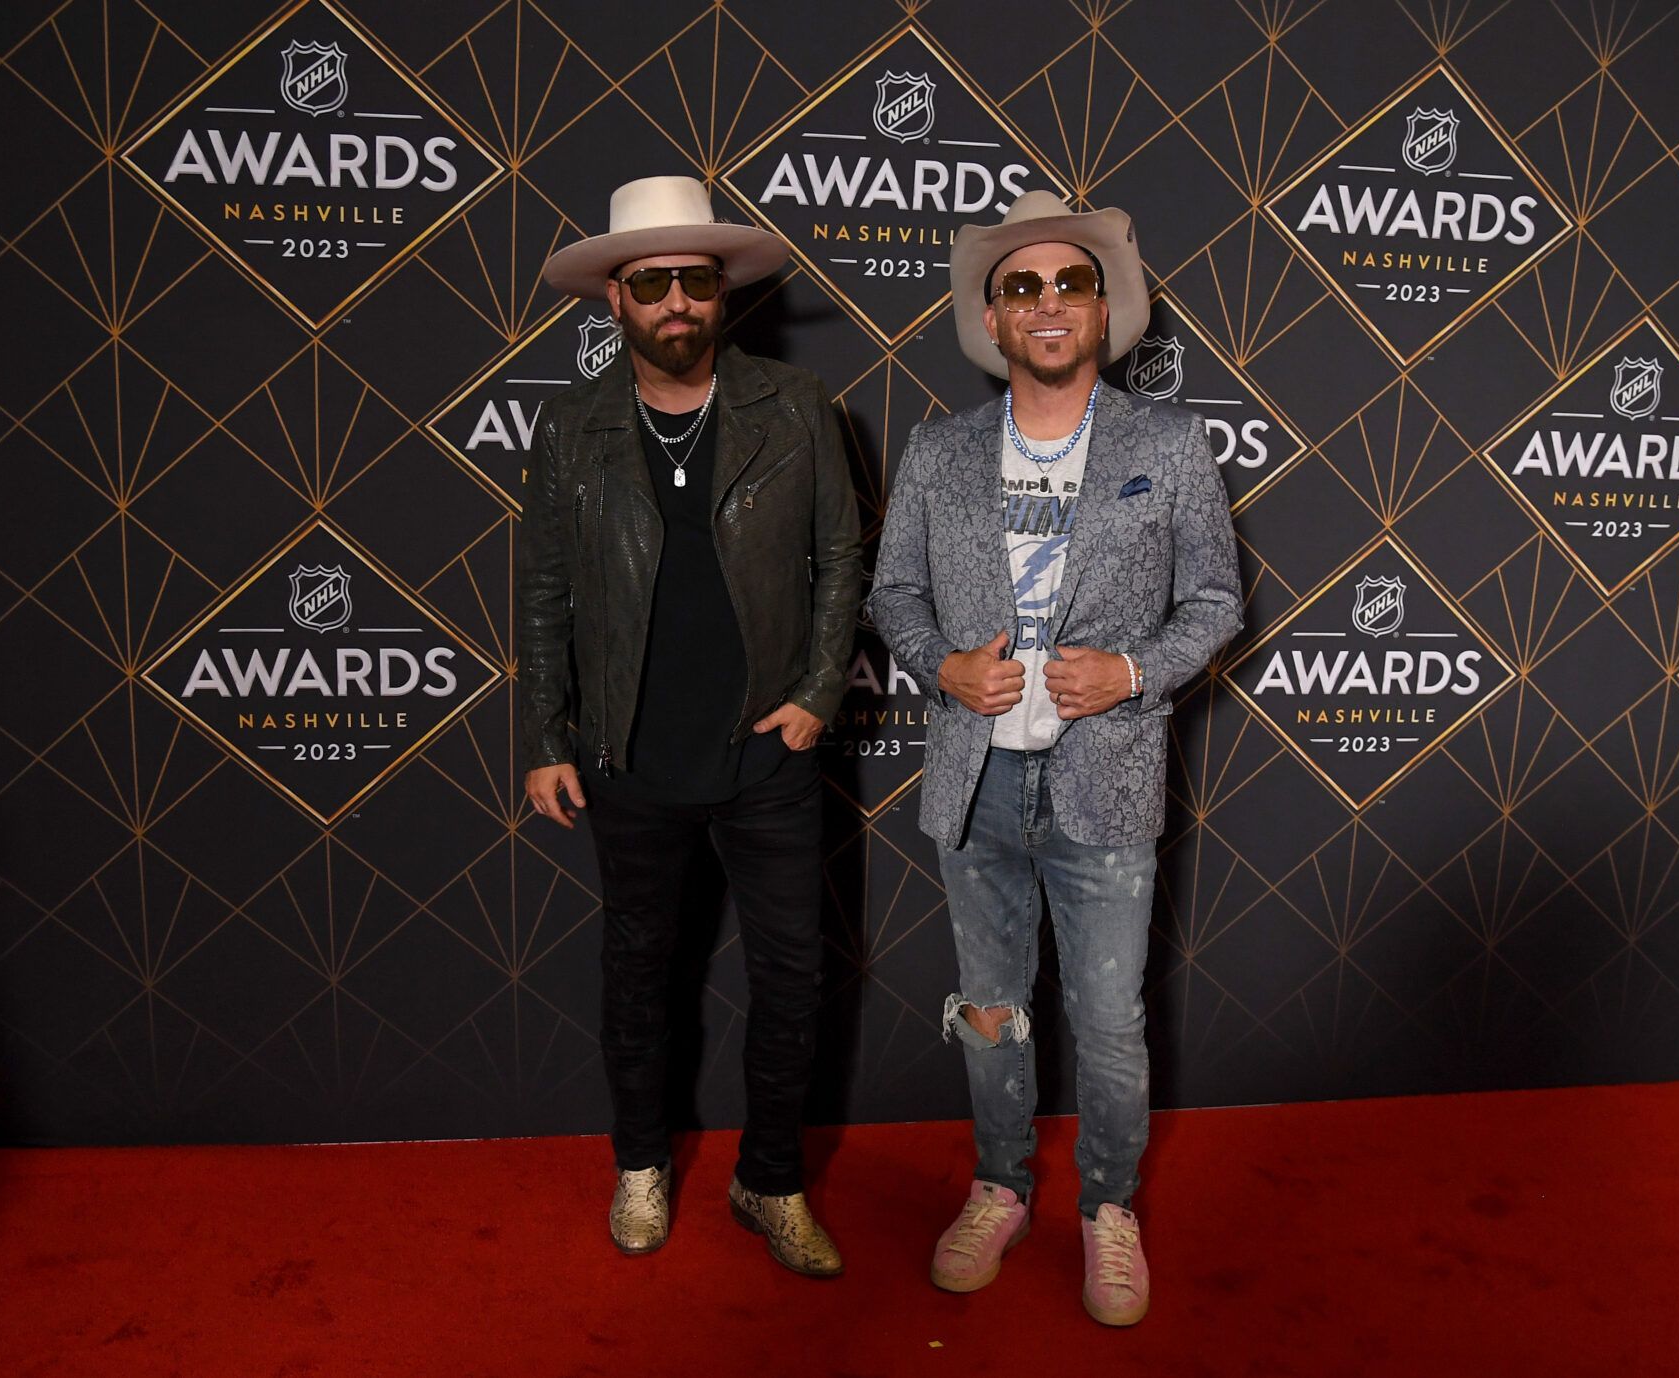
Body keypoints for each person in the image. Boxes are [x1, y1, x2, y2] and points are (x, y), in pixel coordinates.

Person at [868, 191, 1244, 1324]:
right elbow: (893, 593)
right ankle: (999, 1186)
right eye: (1019, 285)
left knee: (1111, 1017)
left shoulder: (1167, 444)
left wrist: (1131, 674)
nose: (1044, 304)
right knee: (989, 1006)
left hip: (1109, 776)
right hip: (975, 781)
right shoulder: (938, 450)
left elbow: (1218, 599)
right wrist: (943, 668)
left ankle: (1108, 1208)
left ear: (1102, 306)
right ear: (991, 314)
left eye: (1067, 283)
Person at [517, 175, 860, 1277]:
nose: (675, 301)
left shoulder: (797, 409)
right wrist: (545, 734)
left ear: (723, 295)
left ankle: (771, 1180)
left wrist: (816, 692)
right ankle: (640, 1163)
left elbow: (844, 560)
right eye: (650, 282)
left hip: (768, 752)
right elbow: (546, 587)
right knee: (636, 971)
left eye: (694, 281)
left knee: (795, 977)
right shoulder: (571, 428)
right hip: (628, 755)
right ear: (614, 300)